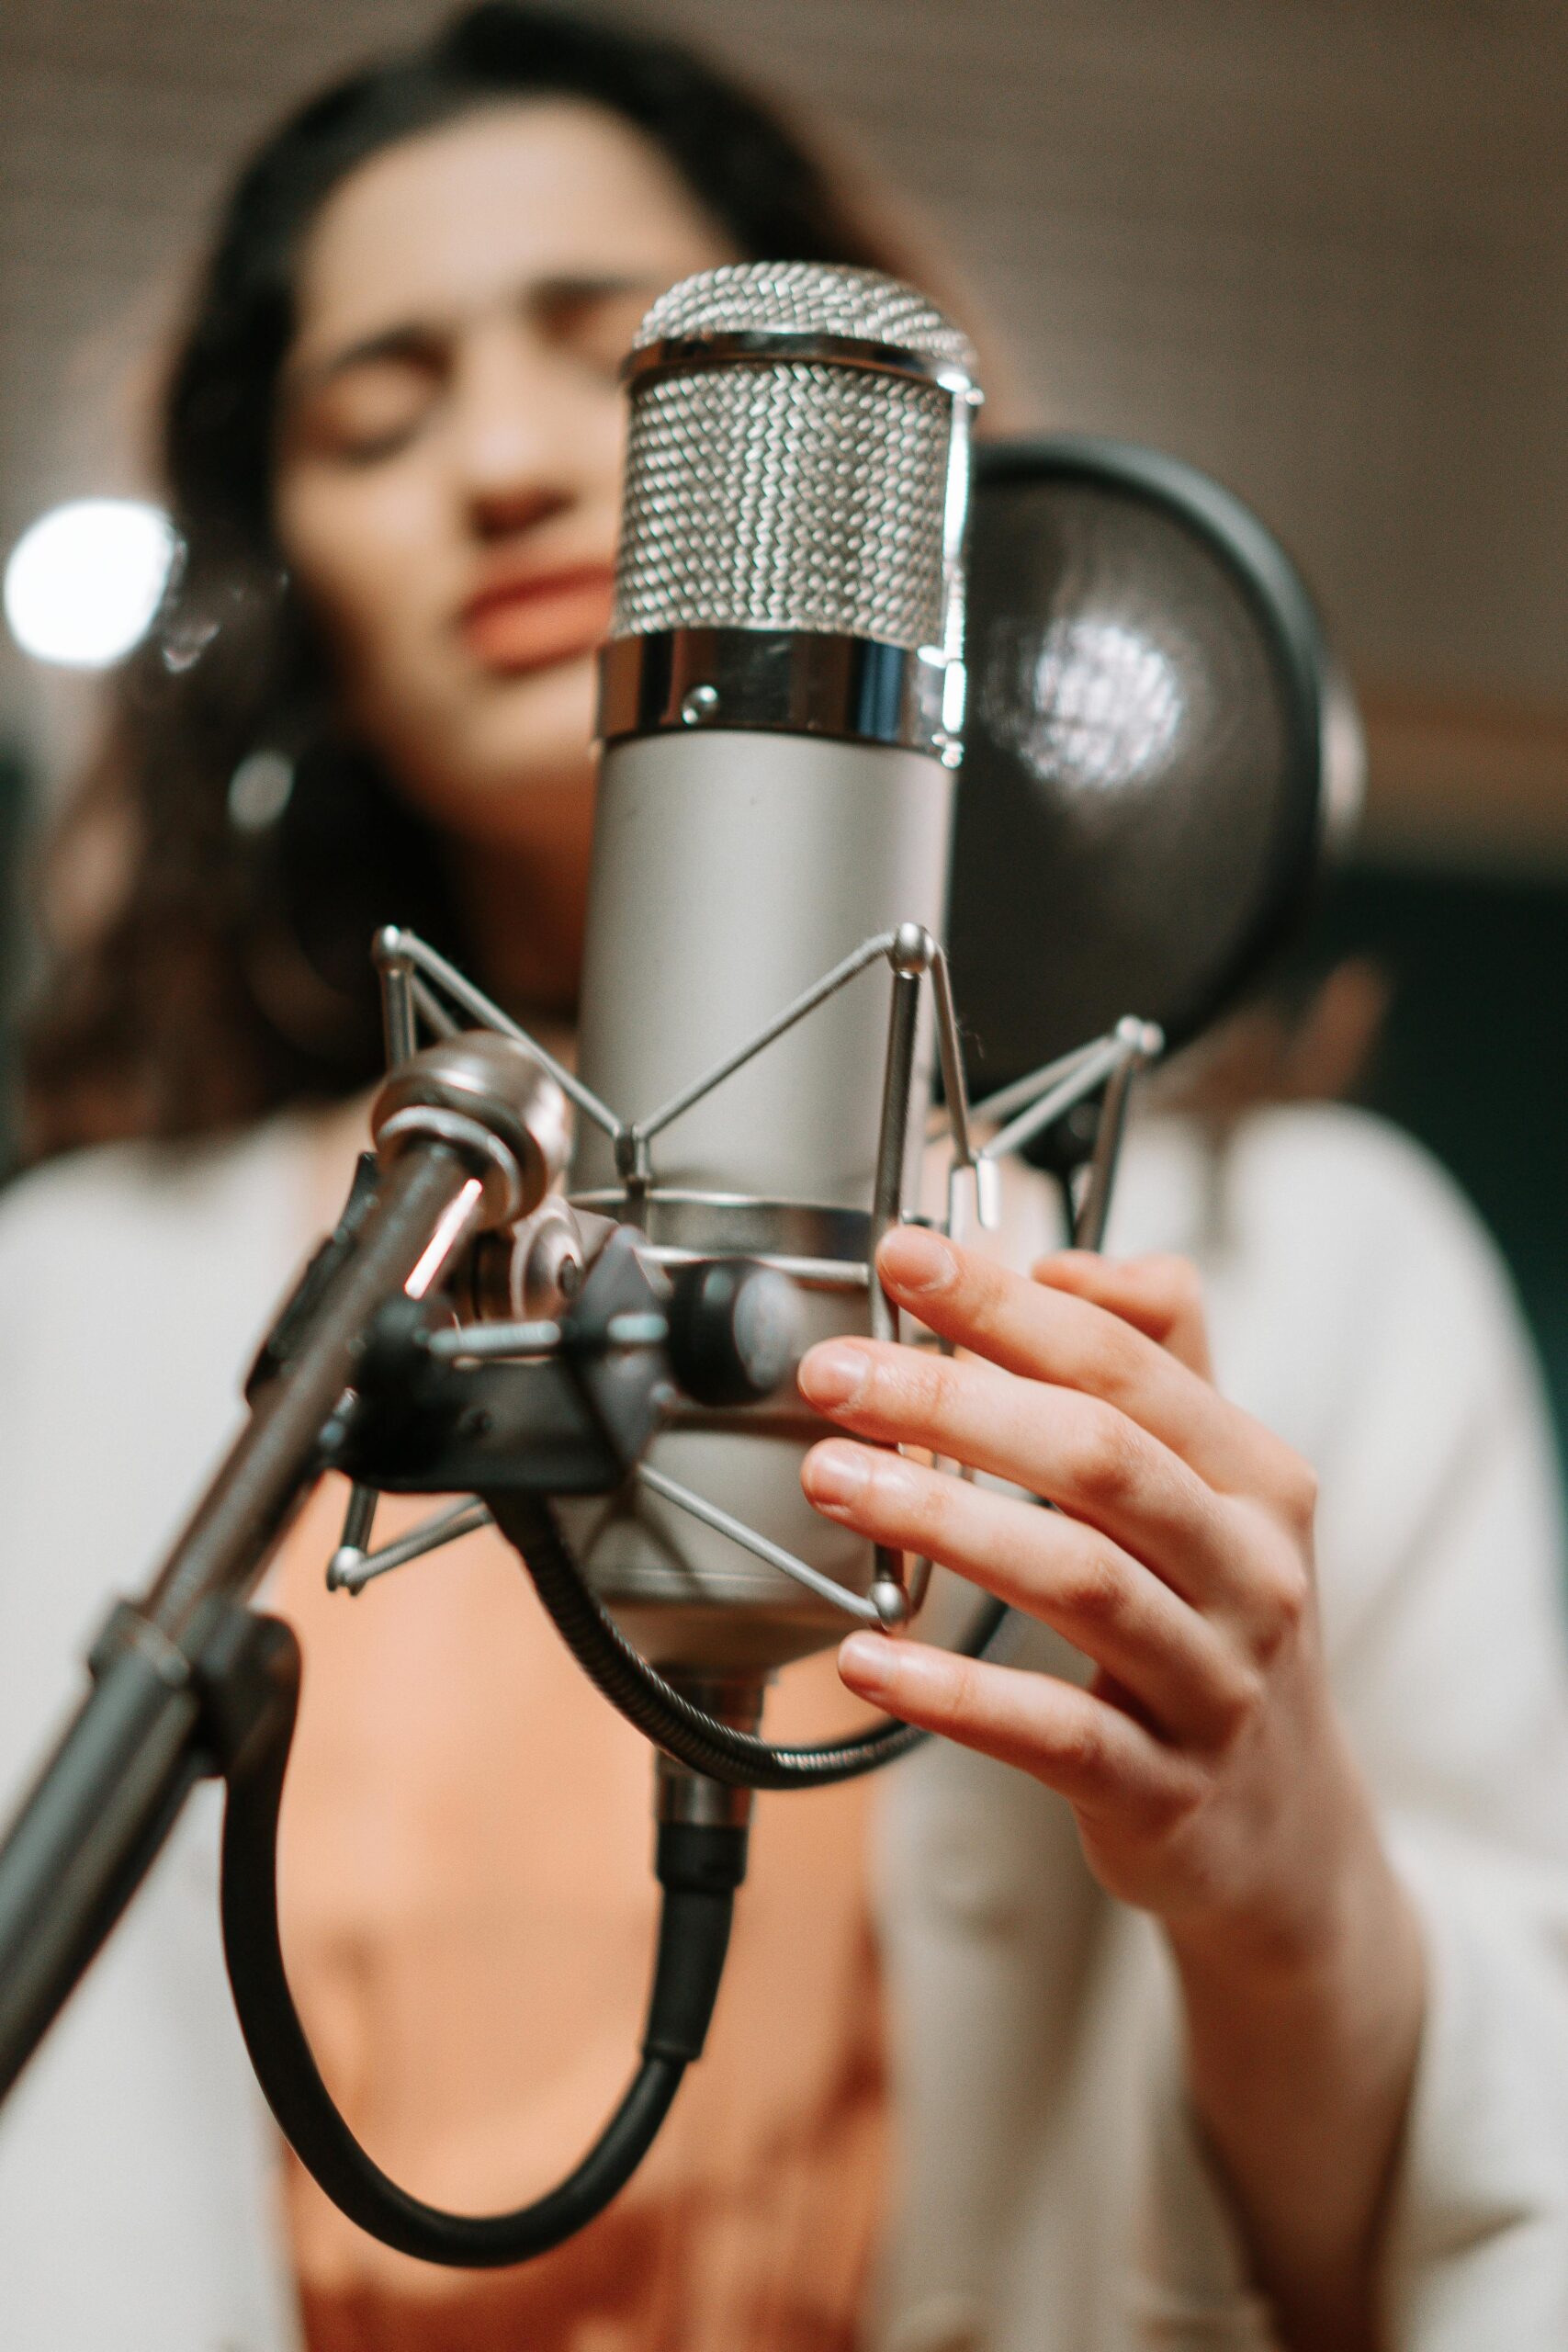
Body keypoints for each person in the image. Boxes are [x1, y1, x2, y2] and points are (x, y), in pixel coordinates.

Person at [4, 8, 1568, 2349]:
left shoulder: (1311, 1270)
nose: (514, 463)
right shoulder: (74, 1308)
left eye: (603, 355)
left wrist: (1275, 1868)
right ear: (292, 571)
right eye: (381, 406)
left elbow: (1476, 2252)